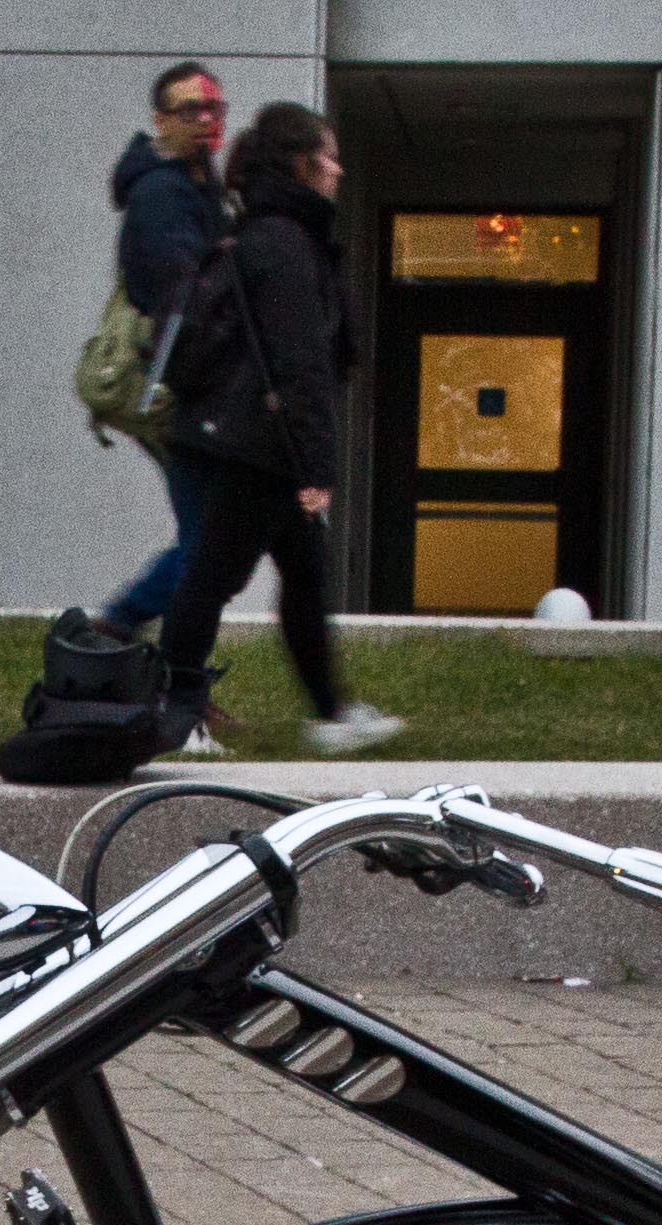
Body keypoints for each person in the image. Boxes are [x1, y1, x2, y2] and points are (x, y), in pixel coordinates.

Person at [158, 101, 404, 757]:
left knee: (302, 571)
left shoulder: (276, 236)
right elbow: (301, 365)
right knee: (214, 576)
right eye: (329, 156)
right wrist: (316, 468)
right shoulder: (285, 246)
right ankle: (176, 710)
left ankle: (330, 711)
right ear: (302, 164)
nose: (338, 170)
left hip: (253, 435)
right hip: (259, 445)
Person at [99, 63, 226, 649]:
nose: (205, 120)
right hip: (178, 389)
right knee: (209, 544)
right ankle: (123, 627)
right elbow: (179, 295)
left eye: (213, 109)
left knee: (211, 540)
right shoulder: (161, 195)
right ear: (160, 121)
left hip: (192, 387)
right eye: (189, 111)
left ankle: (146, 644)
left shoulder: (199, 187)